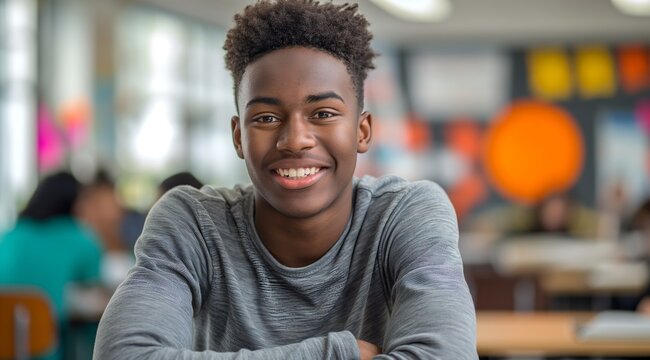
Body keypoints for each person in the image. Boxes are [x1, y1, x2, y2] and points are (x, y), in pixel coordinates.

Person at [94, 1, 477, 359]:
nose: (295, 140)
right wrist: (337, 352)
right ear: (239, 137)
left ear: (362, 132)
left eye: (323, 113)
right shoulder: (193, 223)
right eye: (265, 118)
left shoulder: (404, 214)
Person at [0, 171, 103, 360]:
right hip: (46, 349)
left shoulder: (8, 236)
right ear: (74, 203)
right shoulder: (82, 238)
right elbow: (93, 287)